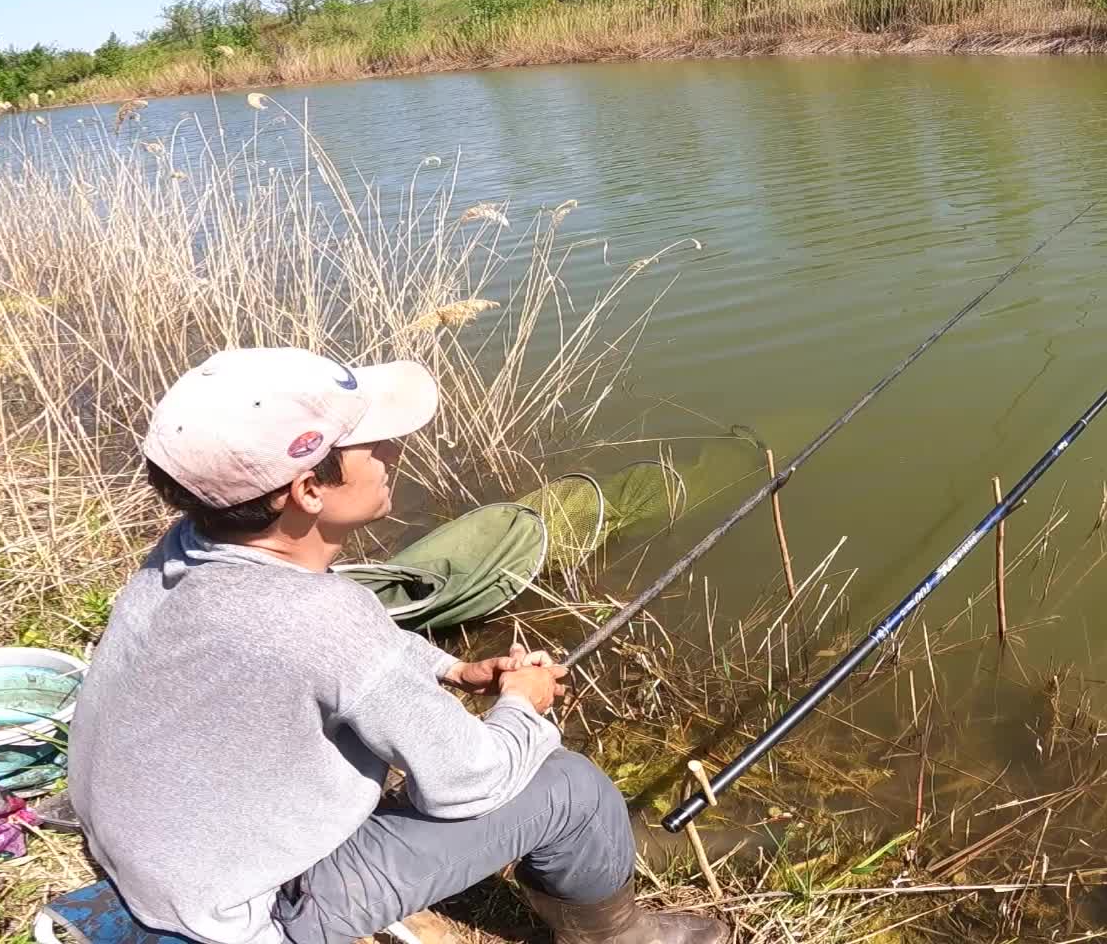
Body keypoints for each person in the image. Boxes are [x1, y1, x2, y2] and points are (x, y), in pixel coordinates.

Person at [68, 347, 728, 944]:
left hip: (147, 853)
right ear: (308, 489)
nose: (394, 453)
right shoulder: (322, 618)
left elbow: (335, 646)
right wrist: (522, 705)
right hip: (242, 915)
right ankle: (618, 938)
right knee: (571, 790)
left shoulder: (186, 552)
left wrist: (452, 667)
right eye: (372, 446)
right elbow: (467, 783)